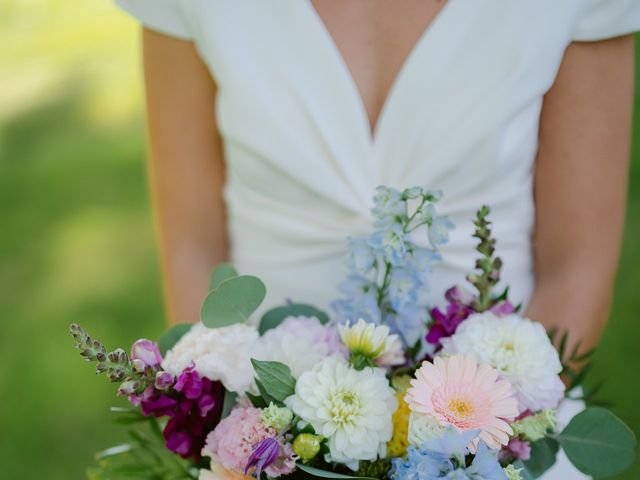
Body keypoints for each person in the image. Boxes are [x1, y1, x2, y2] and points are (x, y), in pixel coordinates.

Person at [115, 1, 639, 477]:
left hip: (495, 440)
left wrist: (475, 454)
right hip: (258, 445)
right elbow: (192, 251)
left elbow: (578, 266)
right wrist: (250, 438)